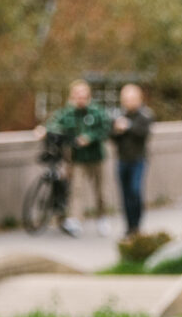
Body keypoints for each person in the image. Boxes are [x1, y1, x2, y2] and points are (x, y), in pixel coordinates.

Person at [37, 80, 113, 237]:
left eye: (83, 95)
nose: (80, 98)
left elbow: (106, 128)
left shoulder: (96, 112)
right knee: (76, 189)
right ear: (72, 97)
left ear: (88, 96)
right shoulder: (67, 113)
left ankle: (102, 217)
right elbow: (53, 123)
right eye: (77, 95)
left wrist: (89, 137)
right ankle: (76, 220)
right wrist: (44, 129)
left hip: (96, 157)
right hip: (77, 158)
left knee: (100, 191)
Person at [111, 84, 154, 238]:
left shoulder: (145, 115)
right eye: (126, 99)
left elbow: (143, 133)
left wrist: (127, 127)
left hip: (138, 160)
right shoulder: (119, 115)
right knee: (125, 194)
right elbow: (112, 137)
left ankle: (137, 224)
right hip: (122, 159)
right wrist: (116, 130)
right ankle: (129, 226)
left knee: (135, 191)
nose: (128, 102)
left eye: (131, 99)